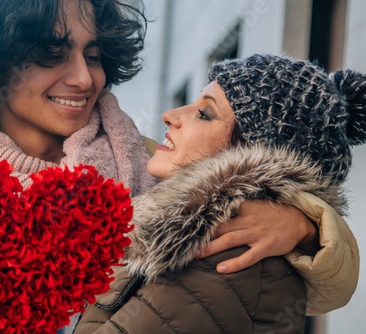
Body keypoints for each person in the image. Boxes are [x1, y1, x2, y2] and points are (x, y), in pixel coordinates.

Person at [0, 0, 357, 331]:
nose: (84, 78)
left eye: (93, 54)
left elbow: (323, 290)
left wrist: (308, 223)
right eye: (53, 53)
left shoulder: (154, 157)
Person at [73, 54, 365, 334]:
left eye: (204, 114)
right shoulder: (183, 218)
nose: (170, 115)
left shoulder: (224, 255)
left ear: (251, 155)